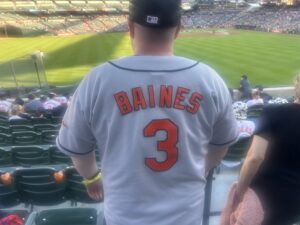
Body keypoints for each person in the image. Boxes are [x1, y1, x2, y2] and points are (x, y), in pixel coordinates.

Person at [56, 0, 238, 224]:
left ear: (130, 27)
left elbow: (77, 148)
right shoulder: (209, 79)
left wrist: (91, 177)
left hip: (123, 216)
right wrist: (200, 170)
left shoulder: (97, 80)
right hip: (185, 216)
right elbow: (221, 144)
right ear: (178, 28)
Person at [235, 74, 300, 225]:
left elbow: (255, 157)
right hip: (294, 204)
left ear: (296, 84)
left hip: (262, 199)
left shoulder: (274, 112)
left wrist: (239, 192)